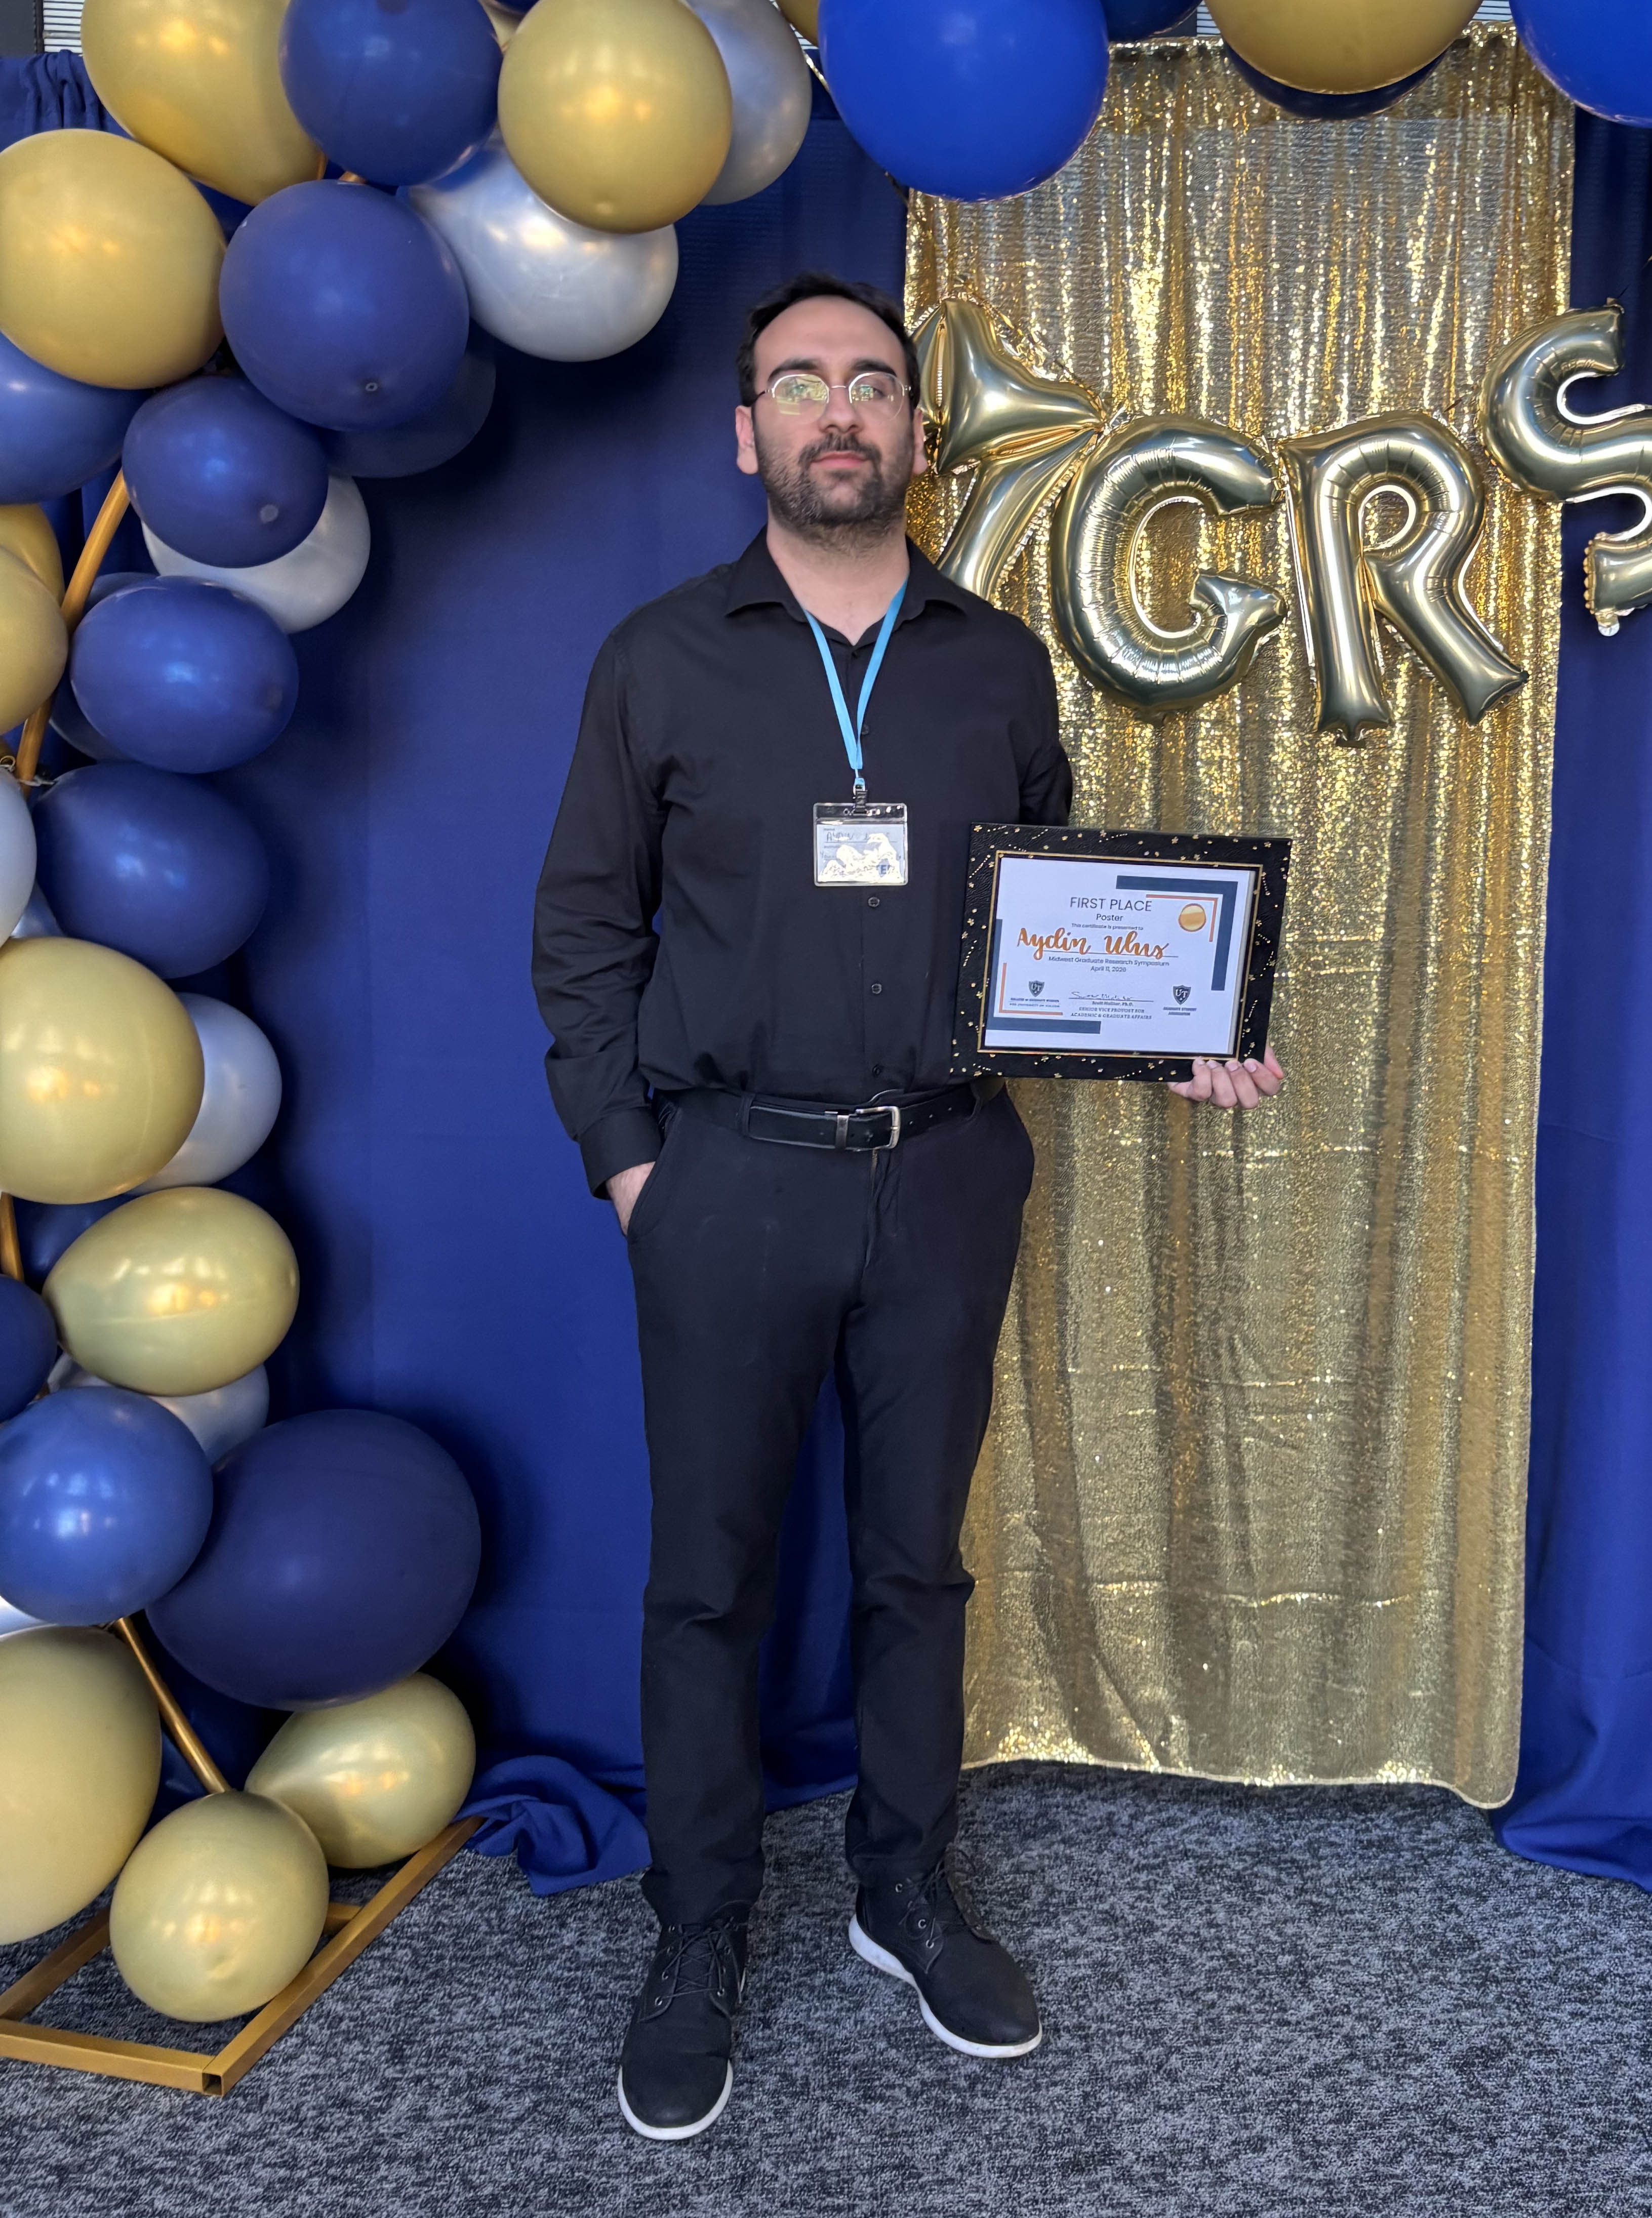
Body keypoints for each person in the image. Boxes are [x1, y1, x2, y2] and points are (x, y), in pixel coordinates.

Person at [532, 271, 1284, 2143]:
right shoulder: (658, 658)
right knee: (706, 1582)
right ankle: (698, 1929)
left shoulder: (996, 662)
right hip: (725, 1179)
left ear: (916, 435)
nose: (842, 411)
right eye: (803, 383)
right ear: (749, 433)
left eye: (874, 383)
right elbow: (582, 935)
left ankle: (901, 1889)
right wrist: (633, 1162)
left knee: (913, 1568)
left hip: (949, 1174)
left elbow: (1054, 923)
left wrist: (1170, 1036)